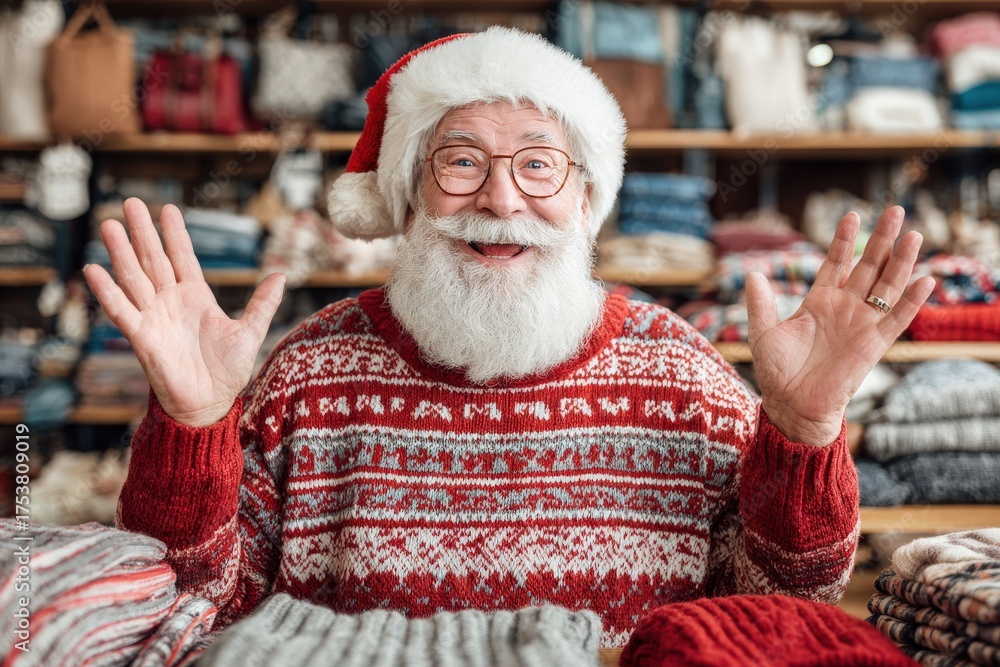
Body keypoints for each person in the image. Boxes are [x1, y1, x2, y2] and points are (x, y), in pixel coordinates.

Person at [83, 27, 935, 648]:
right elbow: (188, 620)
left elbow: (788, 613)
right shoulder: (307, 373)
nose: (500, 199)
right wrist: (189, 428)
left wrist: (804, 433)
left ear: (585, 199)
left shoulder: (681, 375)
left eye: (538, 163)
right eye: (460, 162)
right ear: (409, 196)